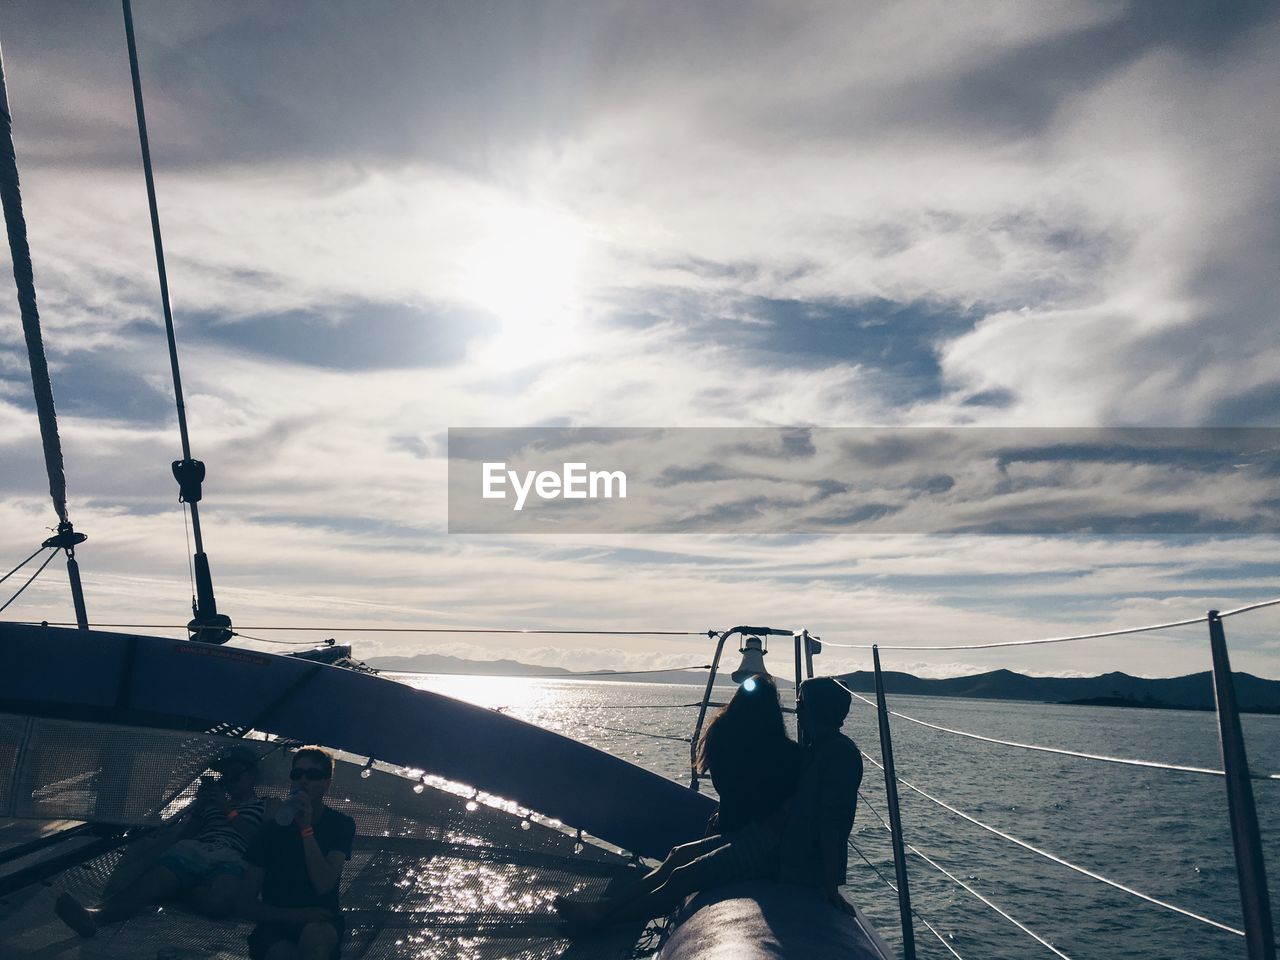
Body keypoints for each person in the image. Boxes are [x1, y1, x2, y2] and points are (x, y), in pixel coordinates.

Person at [555, 674, 801, 928]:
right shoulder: (785, 753)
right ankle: (602, 909)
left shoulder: (749, 747)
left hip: (763, 846)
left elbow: (743, 801)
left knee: (682, 876)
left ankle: (605, 919)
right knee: (676, 855)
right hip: (745, 836)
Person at [54, 746, 269, 937]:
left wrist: (227, 810)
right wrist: (199, 808)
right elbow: (183, 838)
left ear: (253, 775)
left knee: (218, 904)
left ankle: (178, 889)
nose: (229, 782)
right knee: (154, 878)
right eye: (224, 777)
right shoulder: (212, 805)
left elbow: (260, 840)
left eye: (235, 776)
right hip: (196, 850)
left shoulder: (267, 805)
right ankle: (95, 915)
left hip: (233, 856)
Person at [239, 745, 356, 960]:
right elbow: (245, 904)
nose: (303, 780)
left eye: (313, 775)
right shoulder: (271, 830)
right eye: (297, 773)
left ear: (326, 784)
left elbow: (324, 884)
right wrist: (298, 917)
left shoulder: (341, 825)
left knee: (314, 938)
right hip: (276, 923)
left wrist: (306, 830)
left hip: (320, 922)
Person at [777, 676, 864, 913]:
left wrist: (830, 887)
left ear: (817, 709)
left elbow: (830, 823)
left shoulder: (839, 755)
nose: (796, 711)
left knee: (690, 871)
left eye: (801, 704)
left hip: (801, 867)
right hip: (786, 856)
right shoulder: (816, 748)